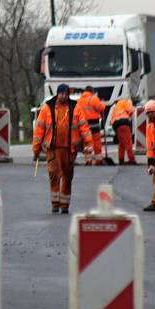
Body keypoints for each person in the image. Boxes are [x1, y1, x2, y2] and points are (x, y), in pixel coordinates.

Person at [33, 84, 93, 214]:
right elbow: (39, 130)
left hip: (69, 150)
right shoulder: (47, 108)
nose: (64, 96)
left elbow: (84, 128)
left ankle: (64, 205)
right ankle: (55, 203)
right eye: (62, 94)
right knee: (54, 175)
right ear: (57, 94)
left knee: (67, 177)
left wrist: (88, 147)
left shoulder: (75, 108)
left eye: (66, 94)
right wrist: (36, 149)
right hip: (53, 149)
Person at [75, 86, 106, 165]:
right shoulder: (93, 98)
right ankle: (98, 160)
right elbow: (100, 108)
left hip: (83, 124)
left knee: (87, 142)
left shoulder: (79, 100)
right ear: (92, 91)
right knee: (96, 141)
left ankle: (88, 160)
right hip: (94, 123)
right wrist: (103, 103)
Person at [109, 97, 136, 165]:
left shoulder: (118, 105)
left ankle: (121, 159)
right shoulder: (127, 101)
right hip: (123, 122)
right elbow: (131, 110)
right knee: (128, 142)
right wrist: (134, 109)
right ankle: (131, 159)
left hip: (116, 124)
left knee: (121, 143)